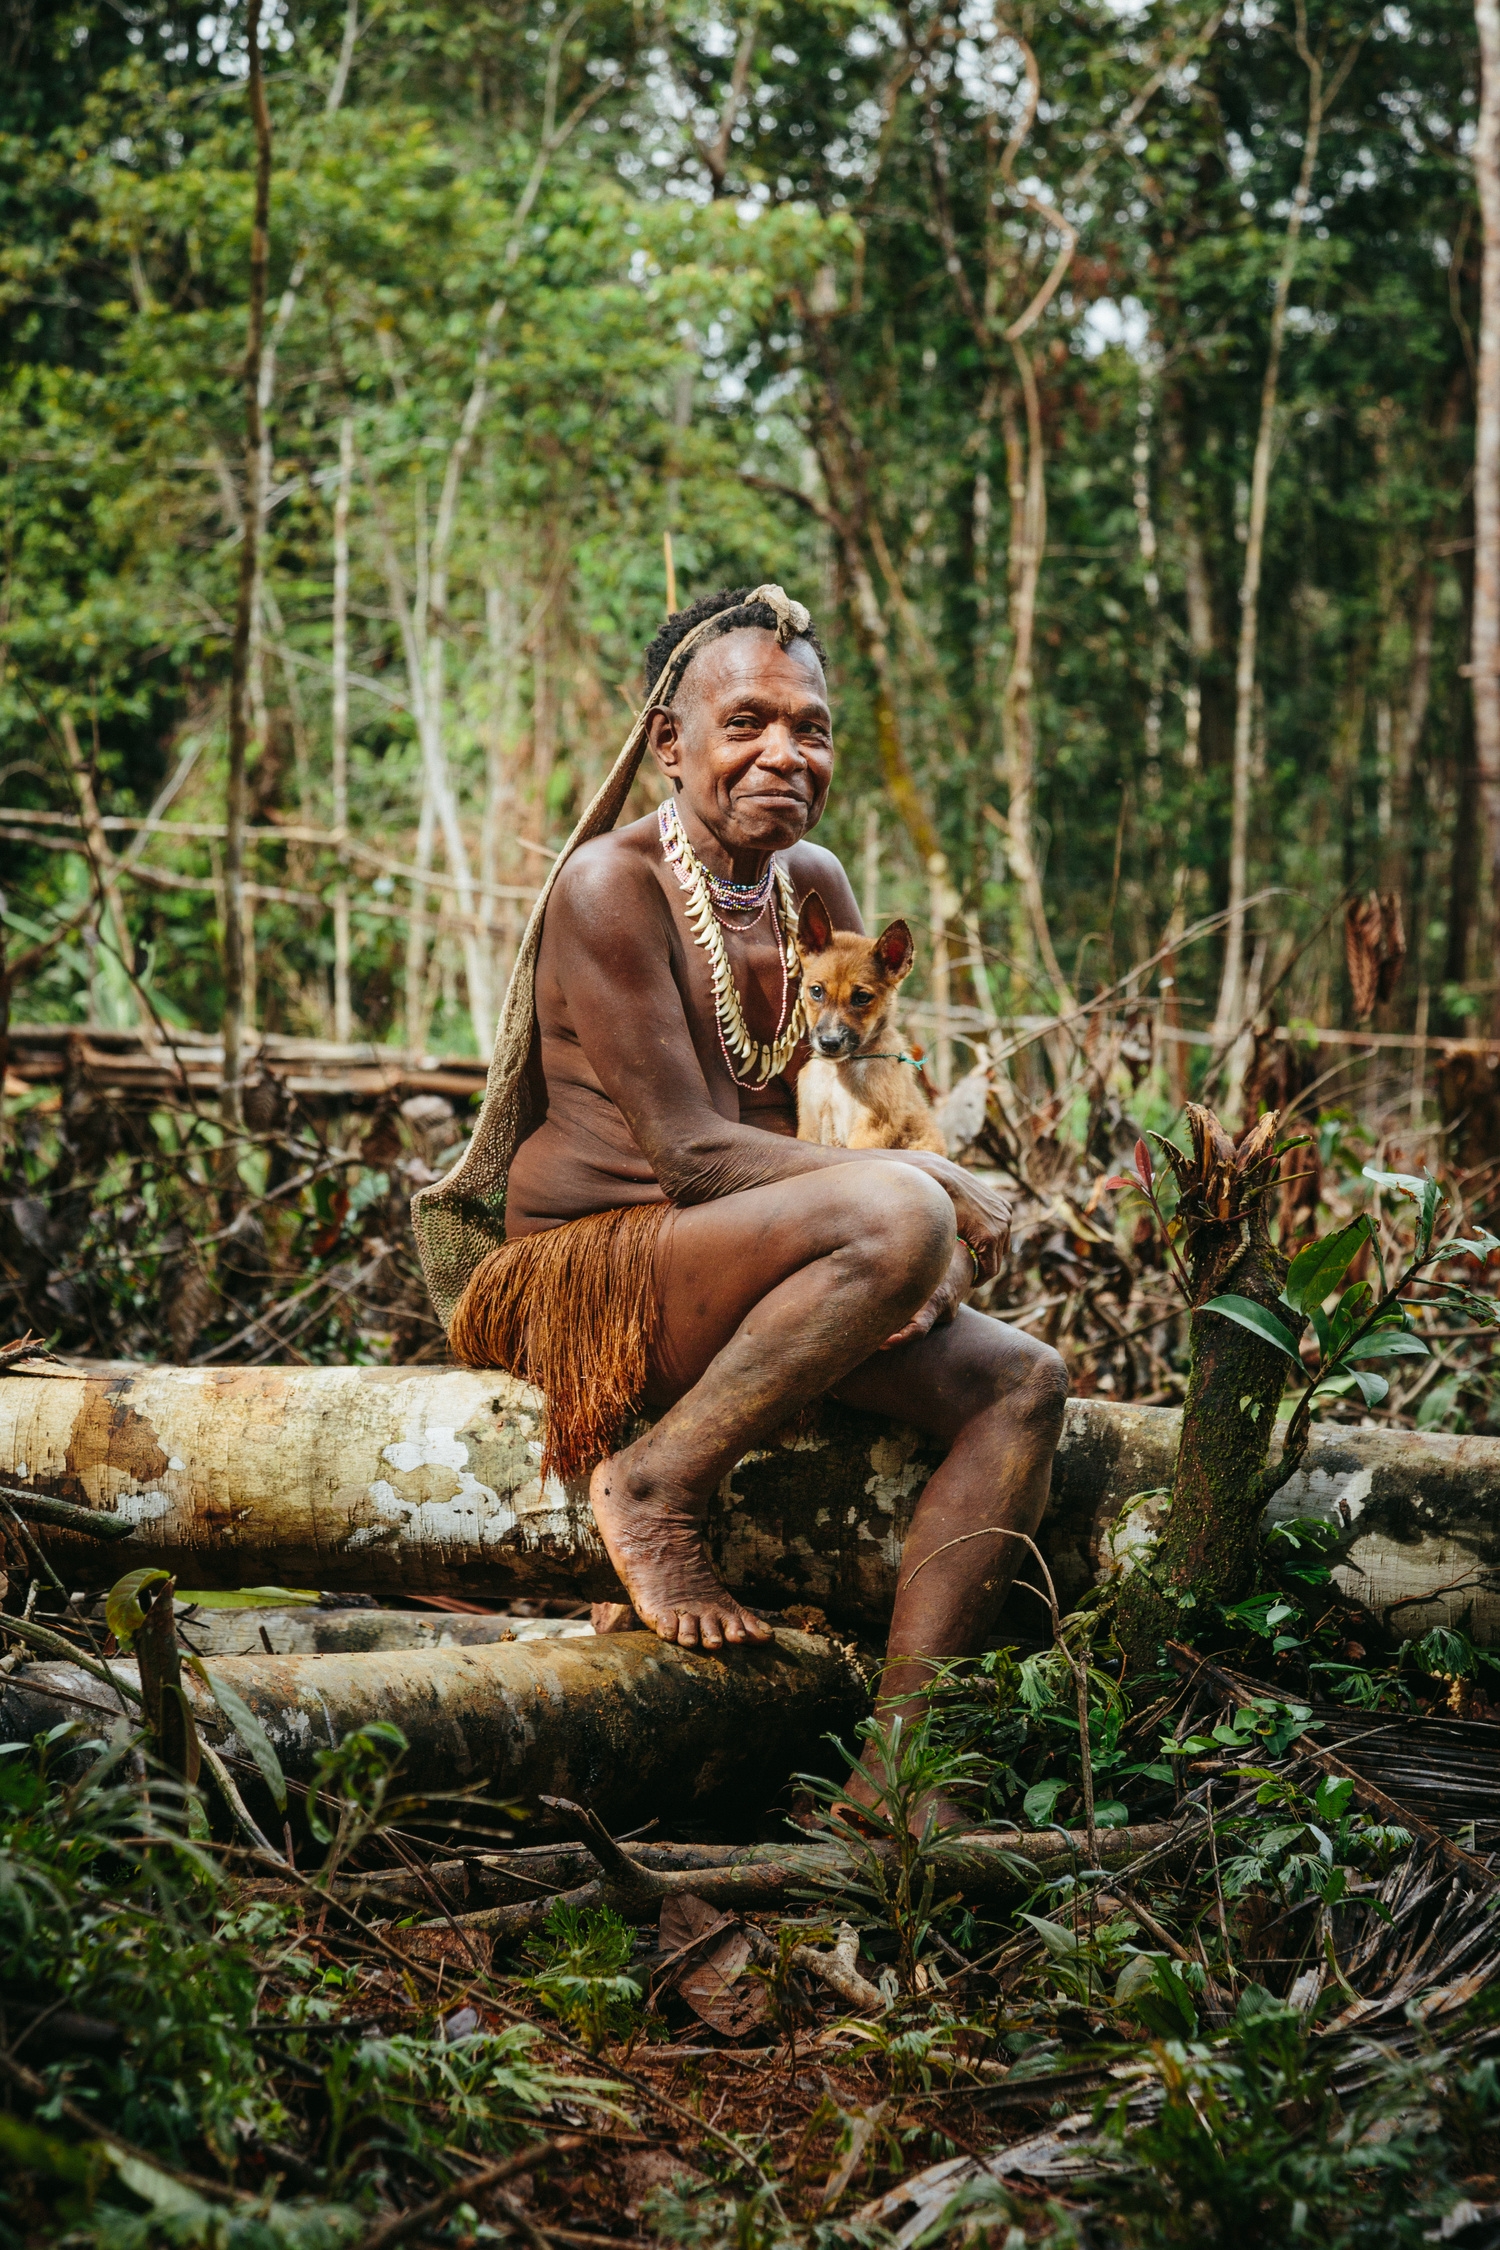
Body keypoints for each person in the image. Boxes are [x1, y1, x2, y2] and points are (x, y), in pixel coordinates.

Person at [418, 585, 1067, 1814]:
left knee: (1024, 1383)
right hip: (603, 1264)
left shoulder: (808, 877)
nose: (787, 753)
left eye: (812, 728)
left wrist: (932, 1264)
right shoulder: (608, 889)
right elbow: (692, 1160)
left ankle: (899, 1769)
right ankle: (657, 1482)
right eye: (748, 723)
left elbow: (870, 1100)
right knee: (906, 1211)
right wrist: (918, 1196)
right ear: (672, 744)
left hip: (763, 1263)